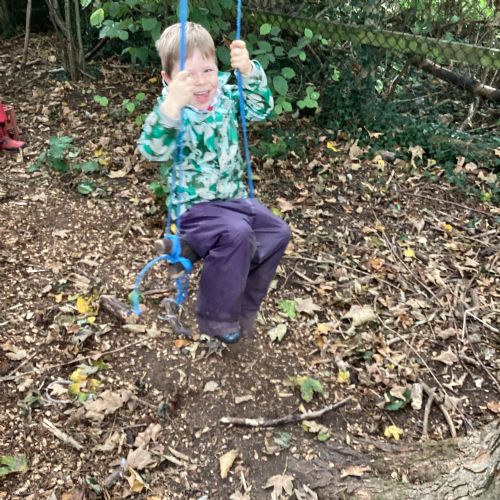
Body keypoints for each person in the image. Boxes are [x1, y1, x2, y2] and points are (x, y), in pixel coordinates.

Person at [138, 22, 291, 344]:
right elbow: (152, 150)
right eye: (188, 75)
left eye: (208, 70)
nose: (201, 82)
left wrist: (248, 71)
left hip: (235, 200)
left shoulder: (226, 96)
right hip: (196, 209)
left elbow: (261, 109)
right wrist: (171, 107)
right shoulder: (173, 111)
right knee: (238, 234)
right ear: (169, 79)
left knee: (277, 232)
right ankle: (216, 318)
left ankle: (242, 305)